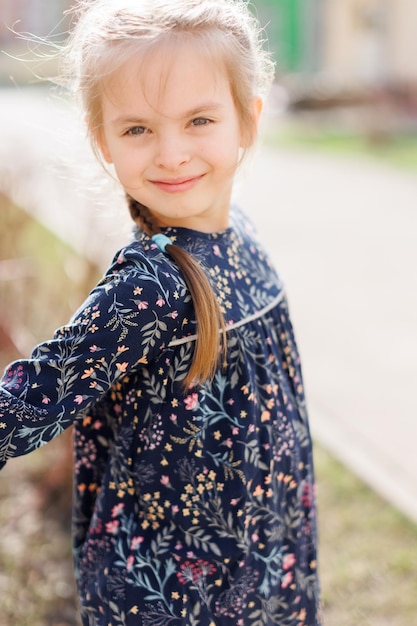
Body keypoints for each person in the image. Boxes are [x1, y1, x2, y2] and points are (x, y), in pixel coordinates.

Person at [0, 0, 322, 624]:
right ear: (105, 143)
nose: (171, 153)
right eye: (138, 129)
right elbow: (29, 400)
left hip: (262, 576)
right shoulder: (151, 285)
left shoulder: (243, 240)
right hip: (167, 600)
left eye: (199, 119)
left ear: (248, 120)